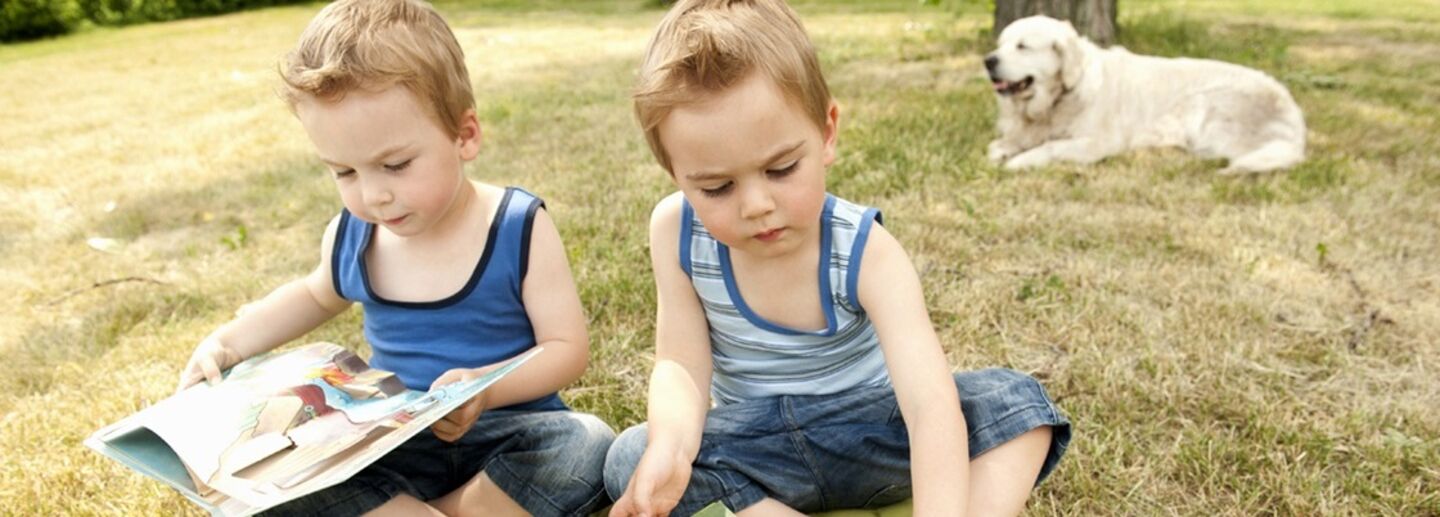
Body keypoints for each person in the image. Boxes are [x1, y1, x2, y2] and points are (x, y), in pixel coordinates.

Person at [603, 1, 1071, 515]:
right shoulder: (674, 230)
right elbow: (681, 365)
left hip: (873, 438)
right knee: (632, 458)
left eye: (781, 169)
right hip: (762, 455)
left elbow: (927, 404)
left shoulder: (864, 248)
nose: (757, 205)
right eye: (716, 186)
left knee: (1017, 403)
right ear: (675, 172)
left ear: (826, 132)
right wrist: (670, 446)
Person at [174, 1, 613, 515]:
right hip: (395, 443)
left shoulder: (516, 225)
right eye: (345, 173)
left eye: (395, 165)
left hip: (507, 433)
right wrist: (227, 343)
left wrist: (485, 389)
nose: (373, 195)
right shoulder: (354, 235)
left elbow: (565, 348)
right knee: (264, 486)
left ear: (464, 135)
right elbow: (314, 294)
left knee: (588, 445)